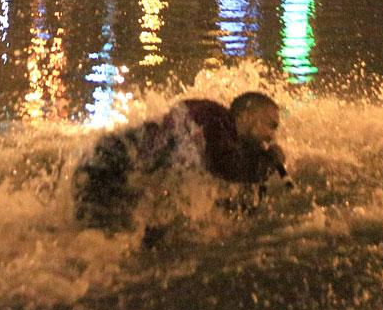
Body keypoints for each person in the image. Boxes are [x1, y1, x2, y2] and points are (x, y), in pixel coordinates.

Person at [73, 91, 293, 235]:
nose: (272, 137)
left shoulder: (217, 129)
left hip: (107, 162)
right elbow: (227, 166)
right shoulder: (216, 119)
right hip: (110, 166)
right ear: (246, 116)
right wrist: (267, 163)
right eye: (270, 125)